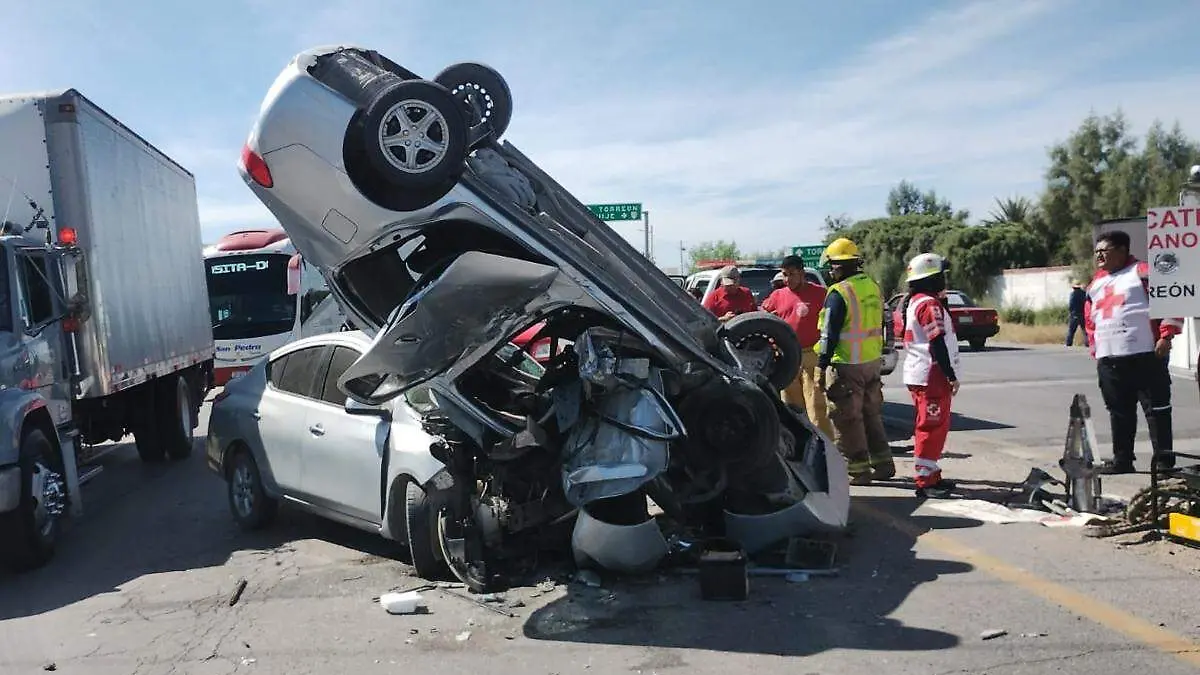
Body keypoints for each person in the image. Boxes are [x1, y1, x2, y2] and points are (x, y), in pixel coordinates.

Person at [1084, 230, 1183, 474]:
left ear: (1121, 250)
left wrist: (1166, 334)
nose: (1099, 256)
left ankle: (1163, 461)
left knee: (1157, 410)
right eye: (1096, 252)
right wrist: (1095, 349)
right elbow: (1090, 319)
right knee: (1119, 411)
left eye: (1103, 251)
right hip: (1110, 359)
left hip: (1146, 355)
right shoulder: (1095, 283)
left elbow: (1170, 299)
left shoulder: (1143, 272)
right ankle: (1123, 460)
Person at [815, 238, 895, 485]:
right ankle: (882, 464)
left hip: (846, 363)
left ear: (840, 266)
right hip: (871, 362)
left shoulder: (839, 293)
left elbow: (830, 333)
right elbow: (883, 323)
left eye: (832, 266)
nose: (830, 271)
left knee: (847, 419)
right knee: (871, 414)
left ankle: (857, 471)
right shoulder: (872, 286)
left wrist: (821, 364)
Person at [900, 253, 960, 498]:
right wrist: (950, 375)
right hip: (931, 375)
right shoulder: (928, 304)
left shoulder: (918, 301)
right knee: (931, 427)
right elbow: (936, 341)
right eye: (942, 275)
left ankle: (932, 473)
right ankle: (925, 480)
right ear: (932, 277)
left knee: (935, 426)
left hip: (923, 374)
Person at [762, 255, 835, 439]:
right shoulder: (778, 295)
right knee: (791, 408)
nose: (787, 279)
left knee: (817, 408)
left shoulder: (821, 293)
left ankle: (824, 448)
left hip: (813, 356)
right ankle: (799, 447)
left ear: (802, 273)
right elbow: (762, 314)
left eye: (791, 274)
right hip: (787, 357)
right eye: (784, 275)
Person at [1066, 281, 1088, 347]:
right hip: (1083, 314)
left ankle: (1069, 343)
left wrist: (1070, 312)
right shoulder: (1084, 293)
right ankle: (1087, 343)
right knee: (1085, 330)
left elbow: (1071, 305)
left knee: (1071, 330)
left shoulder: (1073, 294)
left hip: (1075, 314)